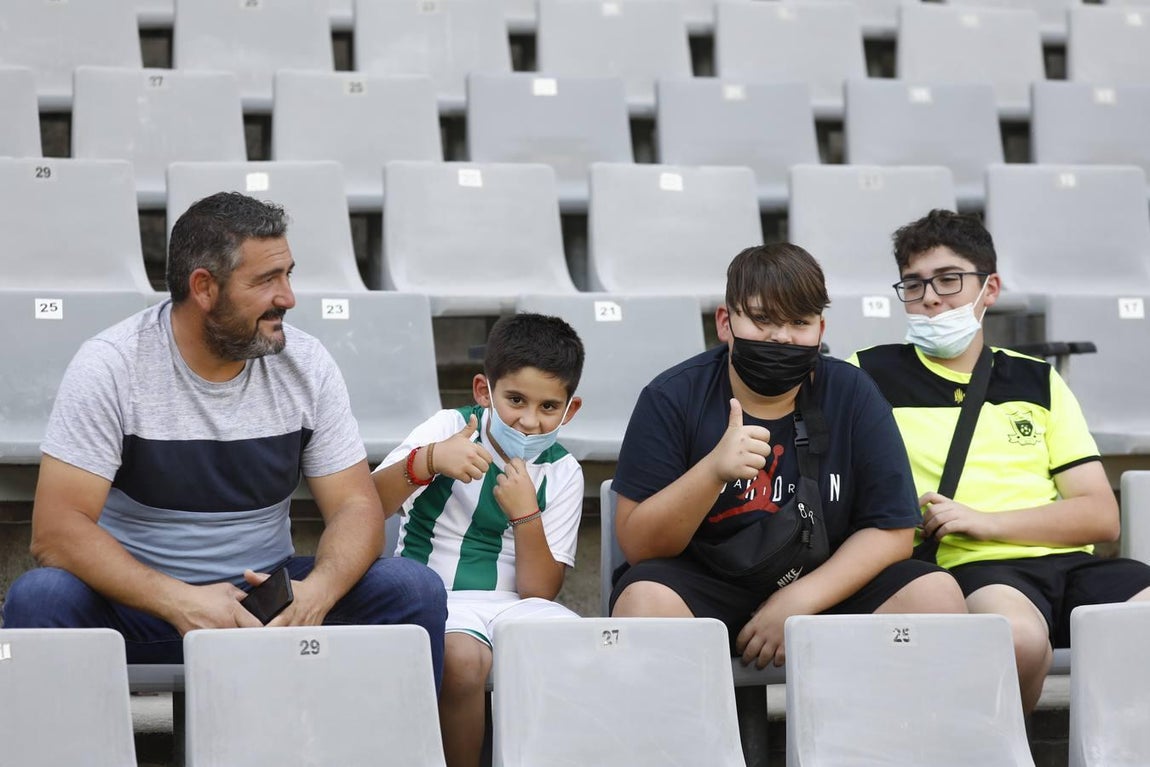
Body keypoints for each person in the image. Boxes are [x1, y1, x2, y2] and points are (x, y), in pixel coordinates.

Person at [0, 192, 448, 689]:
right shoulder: (111, 365)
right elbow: (56, 530)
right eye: (266, 280)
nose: (288, 298)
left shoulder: (308, 364)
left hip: (265, 602)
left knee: (412, 590)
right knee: (39, 599)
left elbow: (355, 506)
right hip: (137, 606)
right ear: (204, 288)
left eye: (288, 274)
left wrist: (317, 592)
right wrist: (178, 599)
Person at [610, 243, 966, 669]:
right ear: (725, 322)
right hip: (705, 584)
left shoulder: (853, 392)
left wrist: (798, 601)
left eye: (799, 322)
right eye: (762, 319)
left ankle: (879, 736)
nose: (781, 337)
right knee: (643, 601)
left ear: (820, 328)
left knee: (935, 595)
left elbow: (892, 531)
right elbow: (638, 544)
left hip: (826, 585)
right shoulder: (671, 396)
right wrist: (711, 473)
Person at [850, 208, 1150, 714]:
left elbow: (1101, 516)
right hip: (970, 567)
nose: (930, 298)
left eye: (949, 280)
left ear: (990, 289)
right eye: (914, 284)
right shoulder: (866, 373)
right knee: (1018, 639)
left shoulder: (1038, 380)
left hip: (1071, 565)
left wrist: (985, 521)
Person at [373, 313, 585, 767]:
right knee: (462, 660)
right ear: (483, 391)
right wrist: (427, 461)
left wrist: (526, 514)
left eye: (549, 407)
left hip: (517, 604)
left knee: (575, 649)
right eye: (515, 400)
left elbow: (541, 591)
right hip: (438, 596)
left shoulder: (565, 471)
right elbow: (365, 506)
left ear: (571, 409)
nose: (529, 421)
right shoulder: (447, 427)